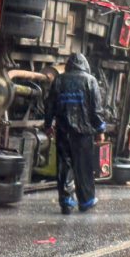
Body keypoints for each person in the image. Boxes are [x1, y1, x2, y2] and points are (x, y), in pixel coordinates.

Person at [44, 52, 105, 215]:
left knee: (65, 165)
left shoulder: (59, 80)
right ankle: (86, 201)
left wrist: (48, 125)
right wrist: (100, 130)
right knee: (84, 166)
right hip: (83, 133)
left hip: (63, 131)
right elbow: (96, 110)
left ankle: (66, 201)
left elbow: (50, 105)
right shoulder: (90, 81)